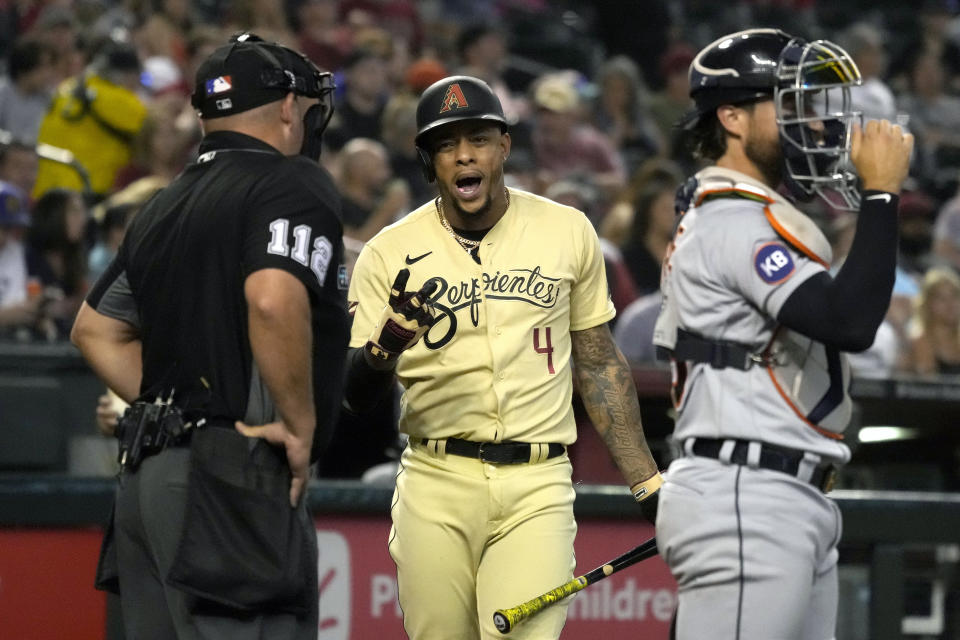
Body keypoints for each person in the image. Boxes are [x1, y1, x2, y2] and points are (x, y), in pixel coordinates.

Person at [343, 75, 662, 640]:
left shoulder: (566, 230)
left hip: (537, 482)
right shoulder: (388, 252)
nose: (464, 154)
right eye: (446, 144)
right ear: (428, 160)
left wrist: (646, 483)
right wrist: (387, 342)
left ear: (505, 147)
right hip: (436, 477)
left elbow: (597, 362)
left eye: (479, 139)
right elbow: (355, 394)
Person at [69, 33, 346, 639]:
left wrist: (177, 406)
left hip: (145, 480)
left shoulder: (163, 202)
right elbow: (272, 300)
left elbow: (96, 329)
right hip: (231, 481)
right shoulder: (291, 183)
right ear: (286, 105)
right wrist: (298, 425)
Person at [652, 29, 913, 639]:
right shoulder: (733, 219)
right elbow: (848, 322)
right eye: (790, 104)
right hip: (748, 491)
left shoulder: (740, 214)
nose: (814, 124)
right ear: (733, 117)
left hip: (779, 493)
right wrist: (880, 195)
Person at [905, 267, 960, 375]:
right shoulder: (921, 341)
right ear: (928, 303)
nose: (950, 304)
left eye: (955, 296)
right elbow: (930, 386)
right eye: (941, 298)